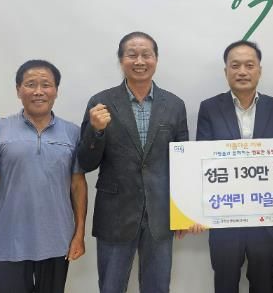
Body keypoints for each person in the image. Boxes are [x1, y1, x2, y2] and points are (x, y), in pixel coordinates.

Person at [76, 32, 189, 293]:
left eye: (146, 54)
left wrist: (183, 212)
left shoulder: (174, 105)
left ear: (156, 59)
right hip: (114, 214)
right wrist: (96, 131)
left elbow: (182, 164)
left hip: (160, 214)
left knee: (158, 287)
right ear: (121, 60)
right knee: (111, 287)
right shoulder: (100, 103)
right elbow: (86, 162)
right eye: (132, 54)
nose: (139, 61)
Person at [0, 59, 87, 293]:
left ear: (56, 91)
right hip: (9, 242)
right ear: (18, 90)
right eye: (31, 84)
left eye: (46, 84)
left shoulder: (72, 132)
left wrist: (79, 233)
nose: (38, 91)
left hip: (57, 241)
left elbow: (78, 185)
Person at [195, 40, 273, 293]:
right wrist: (196, 212)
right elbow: (202, 162)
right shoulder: (209, 108)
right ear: (226, 71)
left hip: (268, 220)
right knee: (225, 285)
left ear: (259, 70)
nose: (242, 71)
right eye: (235, 65)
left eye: (249, 65)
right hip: (225, 219)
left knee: (264, 286)